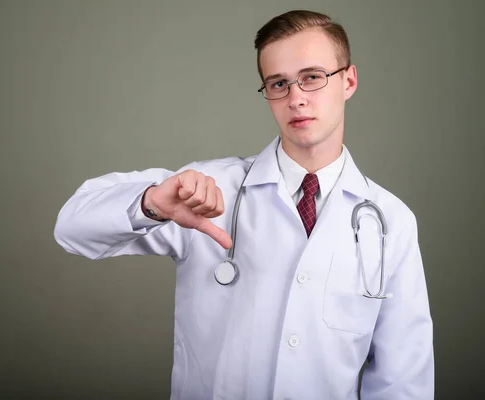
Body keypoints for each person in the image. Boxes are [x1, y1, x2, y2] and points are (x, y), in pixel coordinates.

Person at [54, 9, 434, 400]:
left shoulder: (390, 221)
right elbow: (70, 227)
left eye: (313, 77)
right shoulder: (205, 192)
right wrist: (152, 203)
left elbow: (402, 381)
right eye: (278, 83)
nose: (296, 98)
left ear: (348, 81)